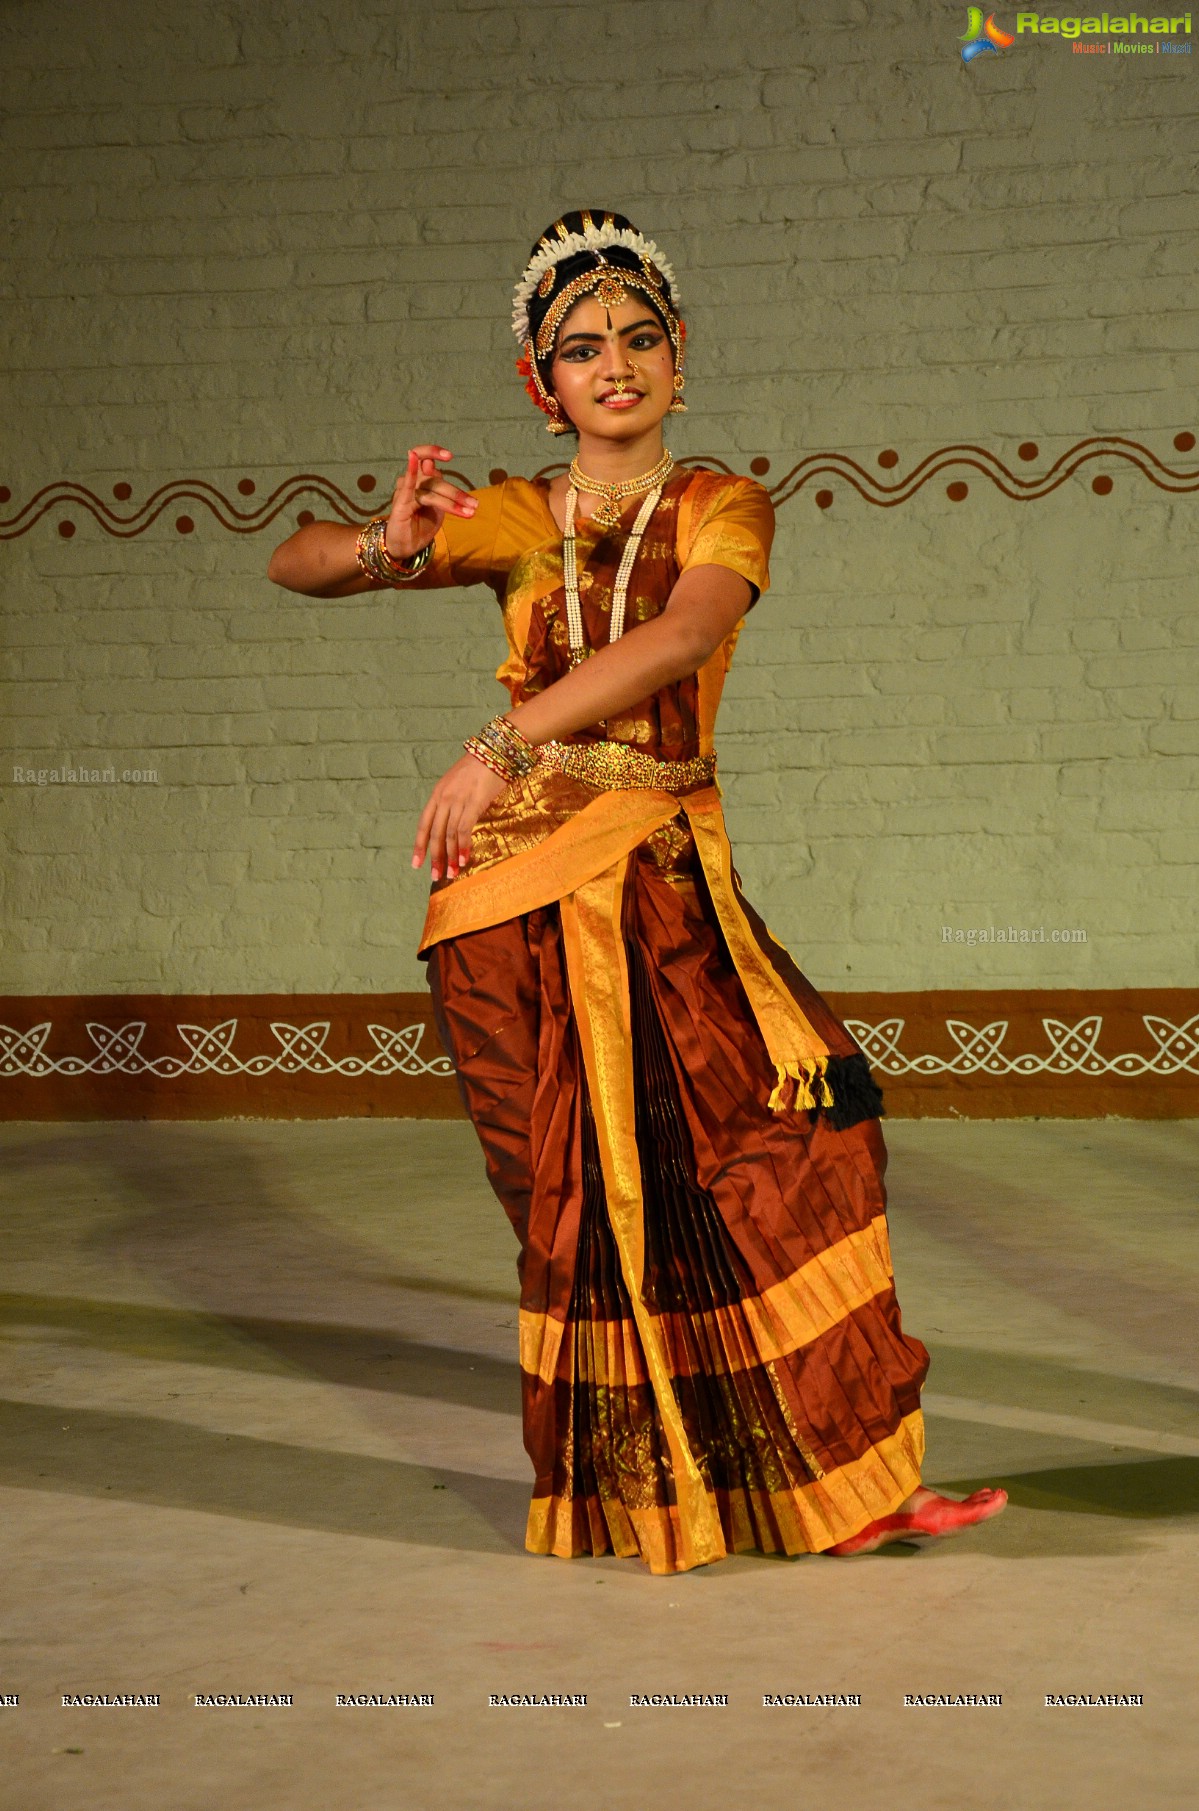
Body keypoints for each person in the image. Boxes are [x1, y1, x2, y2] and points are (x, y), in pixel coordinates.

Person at [268, 209, 1007, 1573]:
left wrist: (501, 743)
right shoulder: (511, 516)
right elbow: (292, 563)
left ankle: (834, 1482)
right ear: (538, 387)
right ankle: (638, 1493)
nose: (615, 364)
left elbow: (681, 637)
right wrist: (382, 543)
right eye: (580, 349)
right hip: (505, 911)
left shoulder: (723, 505)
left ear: (681, 356)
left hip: (659, 882)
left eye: (639, 337)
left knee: (800, 1151)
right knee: (577, 1207)